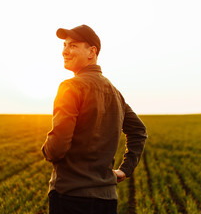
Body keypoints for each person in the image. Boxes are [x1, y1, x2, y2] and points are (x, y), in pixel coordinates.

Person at [41, 24, 147, 214]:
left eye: (72, 45)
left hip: (70, 197)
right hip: (106, 200)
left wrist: (47, 150)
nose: (65, 51)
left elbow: (57, 147)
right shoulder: (115, 93)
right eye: (64, 45)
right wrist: (125, 169)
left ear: (92, 52)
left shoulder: (70, 87)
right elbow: (139, 131)